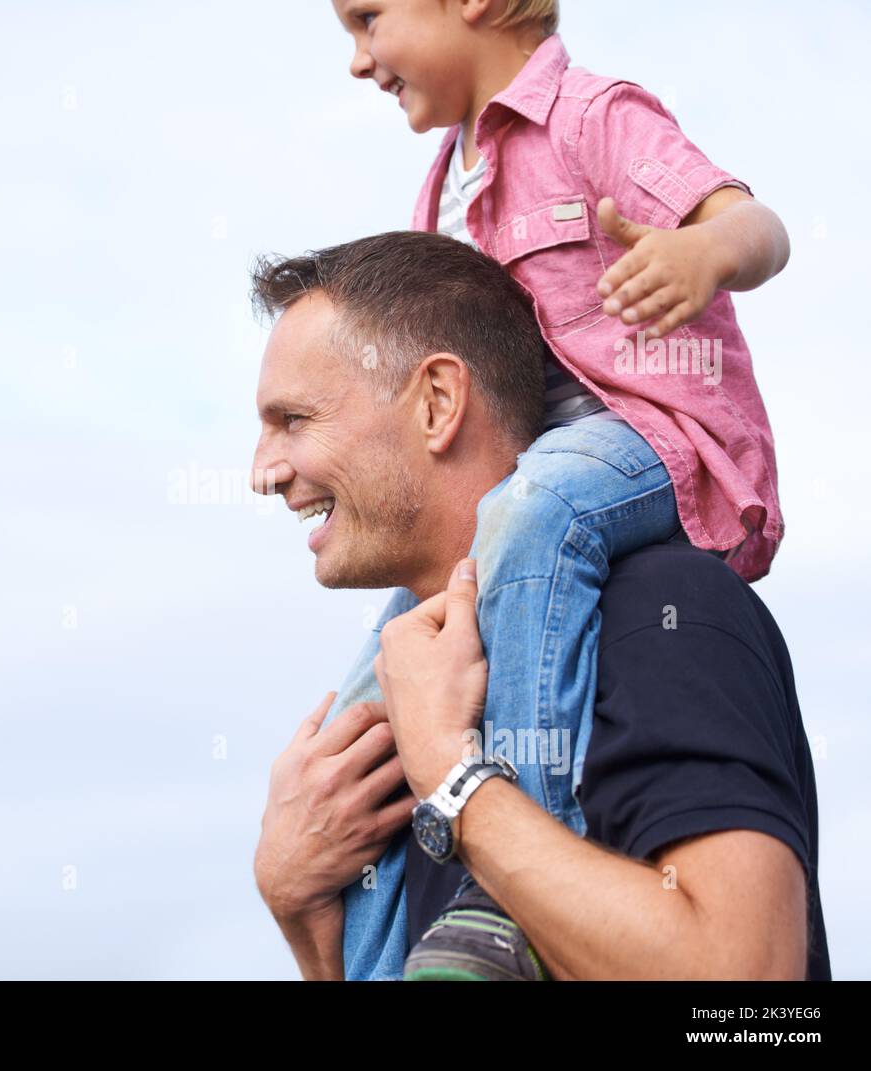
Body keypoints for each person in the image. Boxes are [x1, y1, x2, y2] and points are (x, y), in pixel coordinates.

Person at [298, 0, 793, 976]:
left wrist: (701, 253)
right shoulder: (443, 184)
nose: (358, 60)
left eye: (367, 18)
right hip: (517, 480)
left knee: (540, 509)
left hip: (650, 437)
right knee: (370, 703)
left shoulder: (593, 116)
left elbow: (757, 226)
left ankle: (506, 892)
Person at [248, 230, 827, 980]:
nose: (263, 472)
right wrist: (299, 908)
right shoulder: (408, 708)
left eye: (293, 420)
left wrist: (454, 780)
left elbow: (747, 988)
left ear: (437, 402)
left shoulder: (660, 607)